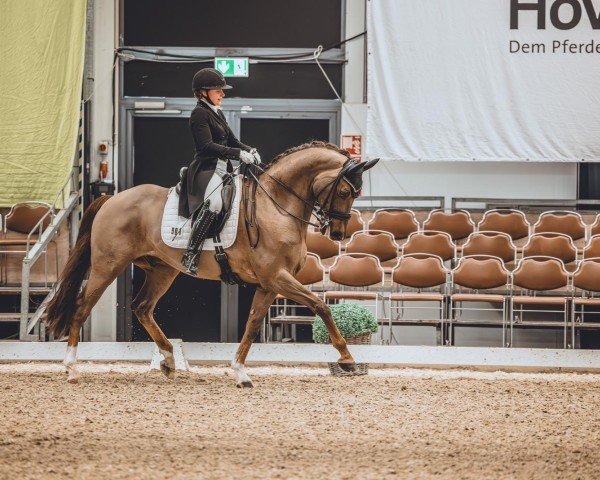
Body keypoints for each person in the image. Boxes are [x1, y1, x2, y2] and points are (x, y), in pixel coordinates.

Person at [180, 68, 261, 274]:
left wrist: (248, 149)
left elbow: (233, 140)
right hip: (206, 169)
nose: (222, 94)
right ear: (203, 92)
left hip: (223, 169)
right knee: (215, 203)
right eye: (218, 91)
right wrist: (238, 154)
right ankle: (192, 252)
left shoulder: (216, 112)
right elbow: (206, 146)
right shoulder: (199, 113)